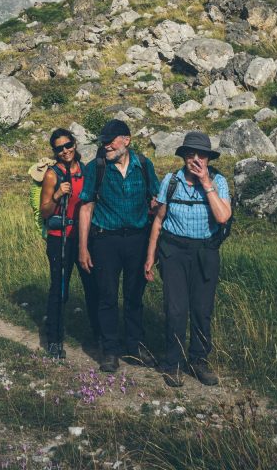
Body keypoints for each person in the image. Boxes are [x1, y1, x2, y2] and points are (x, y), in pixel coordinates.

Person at [144, 131, 231, 387]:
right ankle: (173, 363)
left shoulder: (219, 181)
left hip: (206, 251)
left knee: (202, 310)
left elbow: (223, 217)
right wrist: (150, 257)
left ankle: (199, 361)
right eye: (190, 153)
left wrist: (206, 182)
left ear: (208, 157)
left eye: (201, 154)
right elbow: (158, 220)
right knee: (176, 309)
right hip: (173, 252)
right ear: (183, 156)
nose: (196, 159)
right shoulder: (171, 181)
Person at [77, 119, 160, 373]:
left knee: (135, 296)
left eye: (111, 140)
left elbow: (156, 201)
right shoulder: (96, 168)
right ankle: (110, 349)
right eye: (104, 141)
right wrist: (83, 248)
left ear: (127, 140)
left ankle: (135, 345)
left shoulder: (144, 165)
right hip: (105, 240)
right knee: (107, 296)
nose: (106, 145)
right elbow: (86, 206)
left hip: (137, 239)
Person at [38, 128, 101, 359]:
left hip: (84, 238)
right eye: (59, 148)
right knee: (60, 288)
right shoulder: (52, 175)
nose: (65, 151)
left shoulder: (86, 171)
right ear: (55, 151)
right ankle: (53, 339)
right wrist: (56, 196)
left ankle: (99, 335)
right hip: (60, 239)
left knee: (92, 287)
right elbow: (45, 212)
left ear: (74, 144)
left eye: (68, 145)